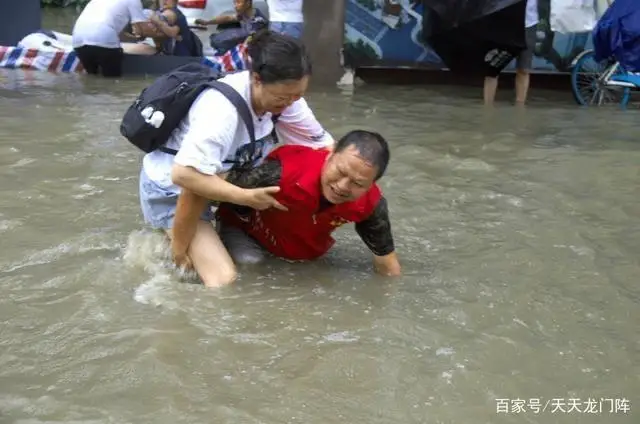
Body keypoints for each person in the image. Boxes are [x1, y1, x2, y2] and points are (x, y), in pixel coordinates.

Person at [139, 30, 334, 288]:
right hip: (172, 187)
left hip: (220, 178)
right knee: (222, 280)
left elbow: (324, 149)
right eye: (282, 97)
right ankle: (163, 249)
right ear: (256, 79)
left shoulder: (288, 100)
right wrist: (179, 250)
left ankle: (213, 232)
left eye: (297, 95)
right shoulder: (221, 111)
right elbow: (186, 178)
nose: (290, 104)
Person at [211, 130, 402, 277]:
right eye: (341, 172)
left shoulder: (371, 204)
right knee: (251, 262)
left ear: (371, 184)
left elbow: (386, 260)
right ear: (330, 154)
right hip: (247, 232)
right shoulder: (282, 173)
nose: (342, 186)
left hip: (302, 253)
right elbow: (211, 185)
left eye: (358, 183)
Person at [72, 0, 148, 77]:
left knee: (91, 78)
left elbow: (116, 33)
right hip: (103, 37)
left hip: (78, 39)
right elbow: (142, 30)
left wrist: (134, 40)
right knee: (112, 80)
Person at [483, 0, 539, 105]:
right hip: (503, 22)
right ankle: (487, 107)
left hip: (528, 23)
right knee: (493, 68)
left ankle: (520, 108)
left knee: (524, 69)